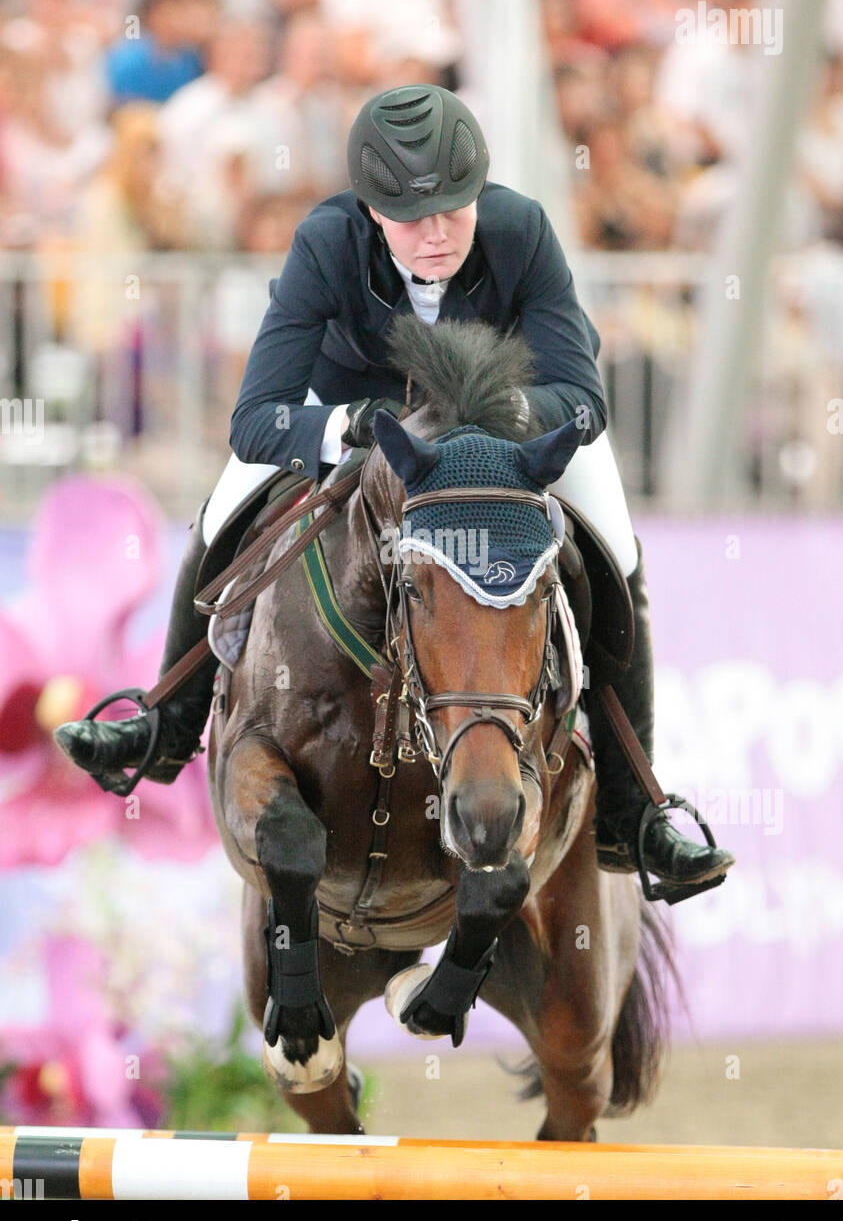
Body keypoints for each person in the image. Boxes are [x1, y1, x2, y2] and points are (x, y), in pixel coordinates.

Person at [55, 83, 734, 894]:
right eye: (413, 218)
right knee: (224, 508)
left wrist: (492, 411)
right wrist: (349, 424)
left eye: (455, 208)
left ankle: (636, 813)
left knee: (617, 554)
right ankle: (163, 724)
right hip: (358, 417)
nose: (438, 233)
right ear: (371, 210)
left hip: (500, 433)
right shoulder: (327, 242)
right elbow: (254, 420)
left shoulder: (521, 230)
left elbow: (583, 400)